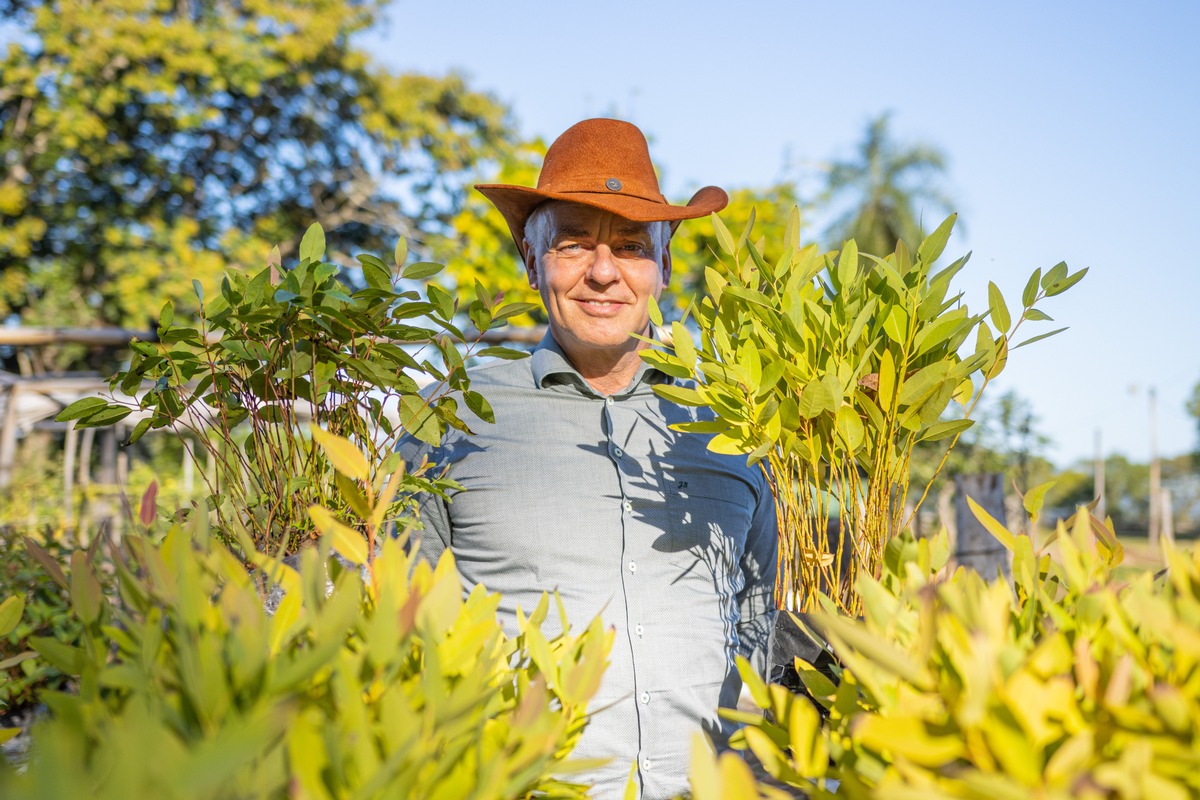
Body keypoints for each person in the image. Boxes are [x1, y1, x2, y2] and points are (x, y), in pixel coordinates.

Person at [401, 118, 777, 800]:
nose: (603, 272)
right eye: (573, 244)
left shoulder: (732, 421)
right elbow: (392, 624)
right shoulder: (448, 414)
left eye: (631, 247)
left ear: (663, 266)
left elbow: (757, 617)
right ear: (530, 259)